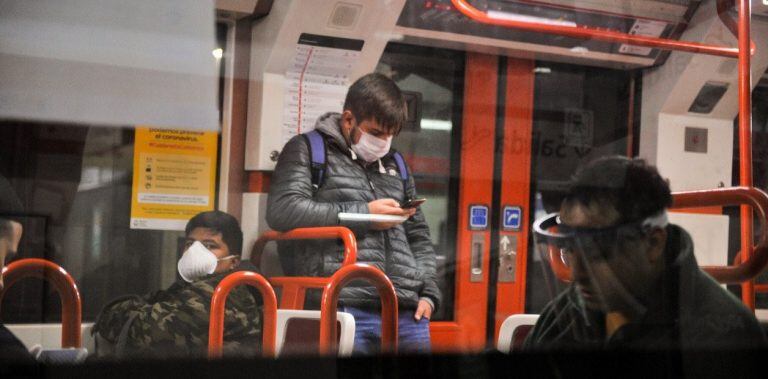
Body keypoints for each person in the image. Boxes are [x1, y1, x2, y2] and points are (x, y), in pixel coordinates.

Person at [267, 73, 440, 354]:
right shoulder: (309, 150)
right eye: (375, 133)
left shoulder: (396, 163)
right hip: (344, 301)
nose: (383, 142)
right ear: (349, 120)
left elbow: (418, 235)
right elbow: (283, 210)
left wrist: (430, 293)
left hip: (407, 308)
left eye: (390, 135)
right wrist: (365, 216)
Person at [525, 156, 766, 350]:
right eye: (570, 250)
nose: (578, 274)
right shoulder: (564, 319)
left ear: (653, 243)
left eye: (597, 253)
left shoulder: (724, 338)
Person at [93, 211, 262, 358]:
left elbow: (142, 333)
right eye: (190, 243)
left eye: (210, 246)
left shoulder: (222, 294)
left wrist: (126, 311)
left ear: (234, 261)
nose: (194, 251)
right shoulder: (190, 287)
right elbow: (156, 301)